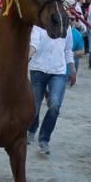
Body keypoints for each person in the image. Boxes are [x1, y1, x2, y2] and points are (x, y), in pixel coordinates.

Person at [27, 24, 76, 154]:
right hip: (37, 69)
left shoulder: (67, 27)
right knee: (34, 107)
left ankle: (44, 139)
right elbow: (34, 44)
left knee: (55, 104)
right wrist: (26, 57)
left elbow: (68, 50)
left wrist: (72, 68)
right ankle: (32, 129)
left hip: (58, 71)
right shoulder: (38, 26)